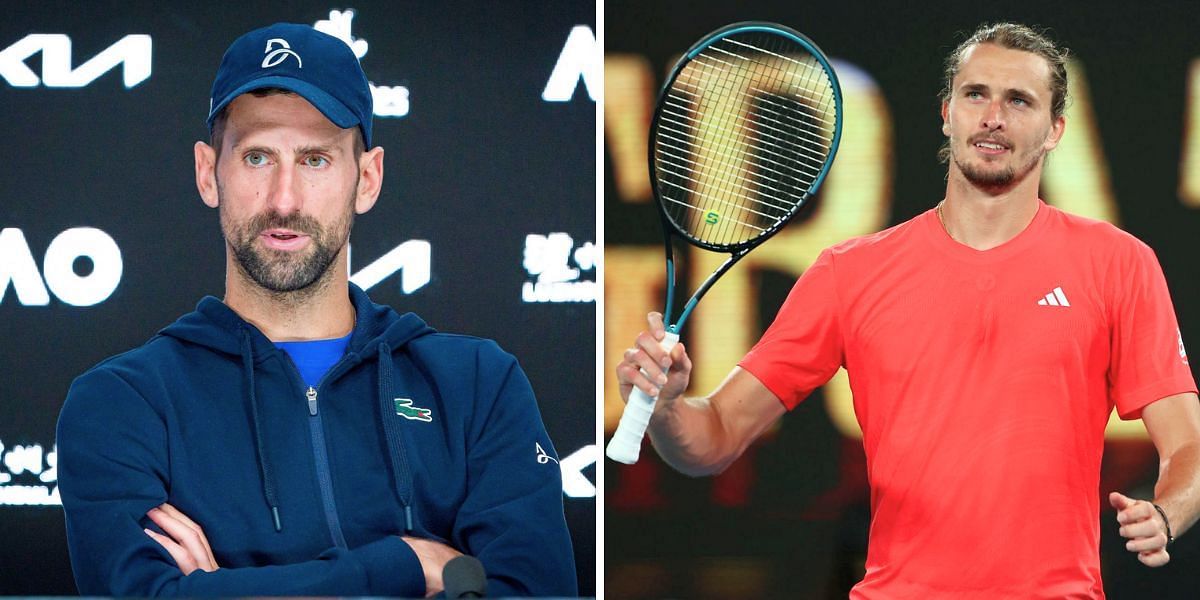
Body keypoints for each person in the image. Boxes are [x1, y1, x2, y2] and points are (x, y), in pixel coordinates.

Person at [616, 22, 1200, 598]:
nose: (993, 116)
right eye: (976, 94)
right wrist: (666, 408)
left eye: (1019, 100)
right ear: (946, 112)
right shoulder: (851, 273)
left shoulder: (1119, 264)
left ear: (1055, 130)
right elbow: (714, 438)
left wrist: (1168, 513)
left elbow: (1189, 445)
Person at [57, 23, 576, 597]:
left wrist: (224, 590)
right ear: (209, 174)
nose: (284, 198)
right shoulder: (122, 402)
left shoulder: (476, 384)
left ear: (367, 178)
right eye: (257, 157)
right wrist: (408, 566)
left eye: (315, 160)